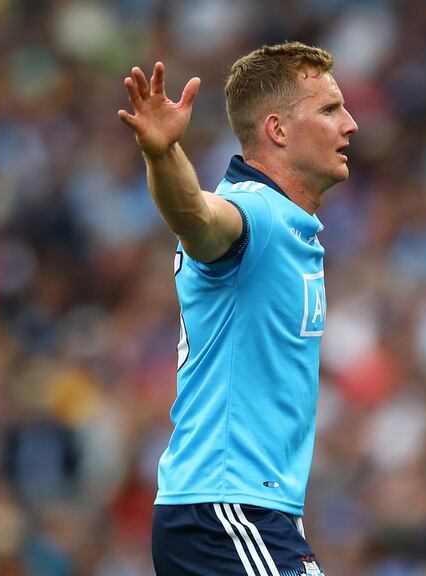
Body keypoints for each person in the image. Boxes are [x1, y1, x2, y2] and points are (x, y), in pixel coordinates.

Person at [117, 41, 358, 576]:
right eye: (329, 109)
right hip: (227, 510)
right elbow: (198, 218)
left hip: (242, 512)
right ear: (277, 129)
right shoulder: (257, 213)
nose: (351, 124)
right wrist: (162, 152)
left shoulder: (291, 223)